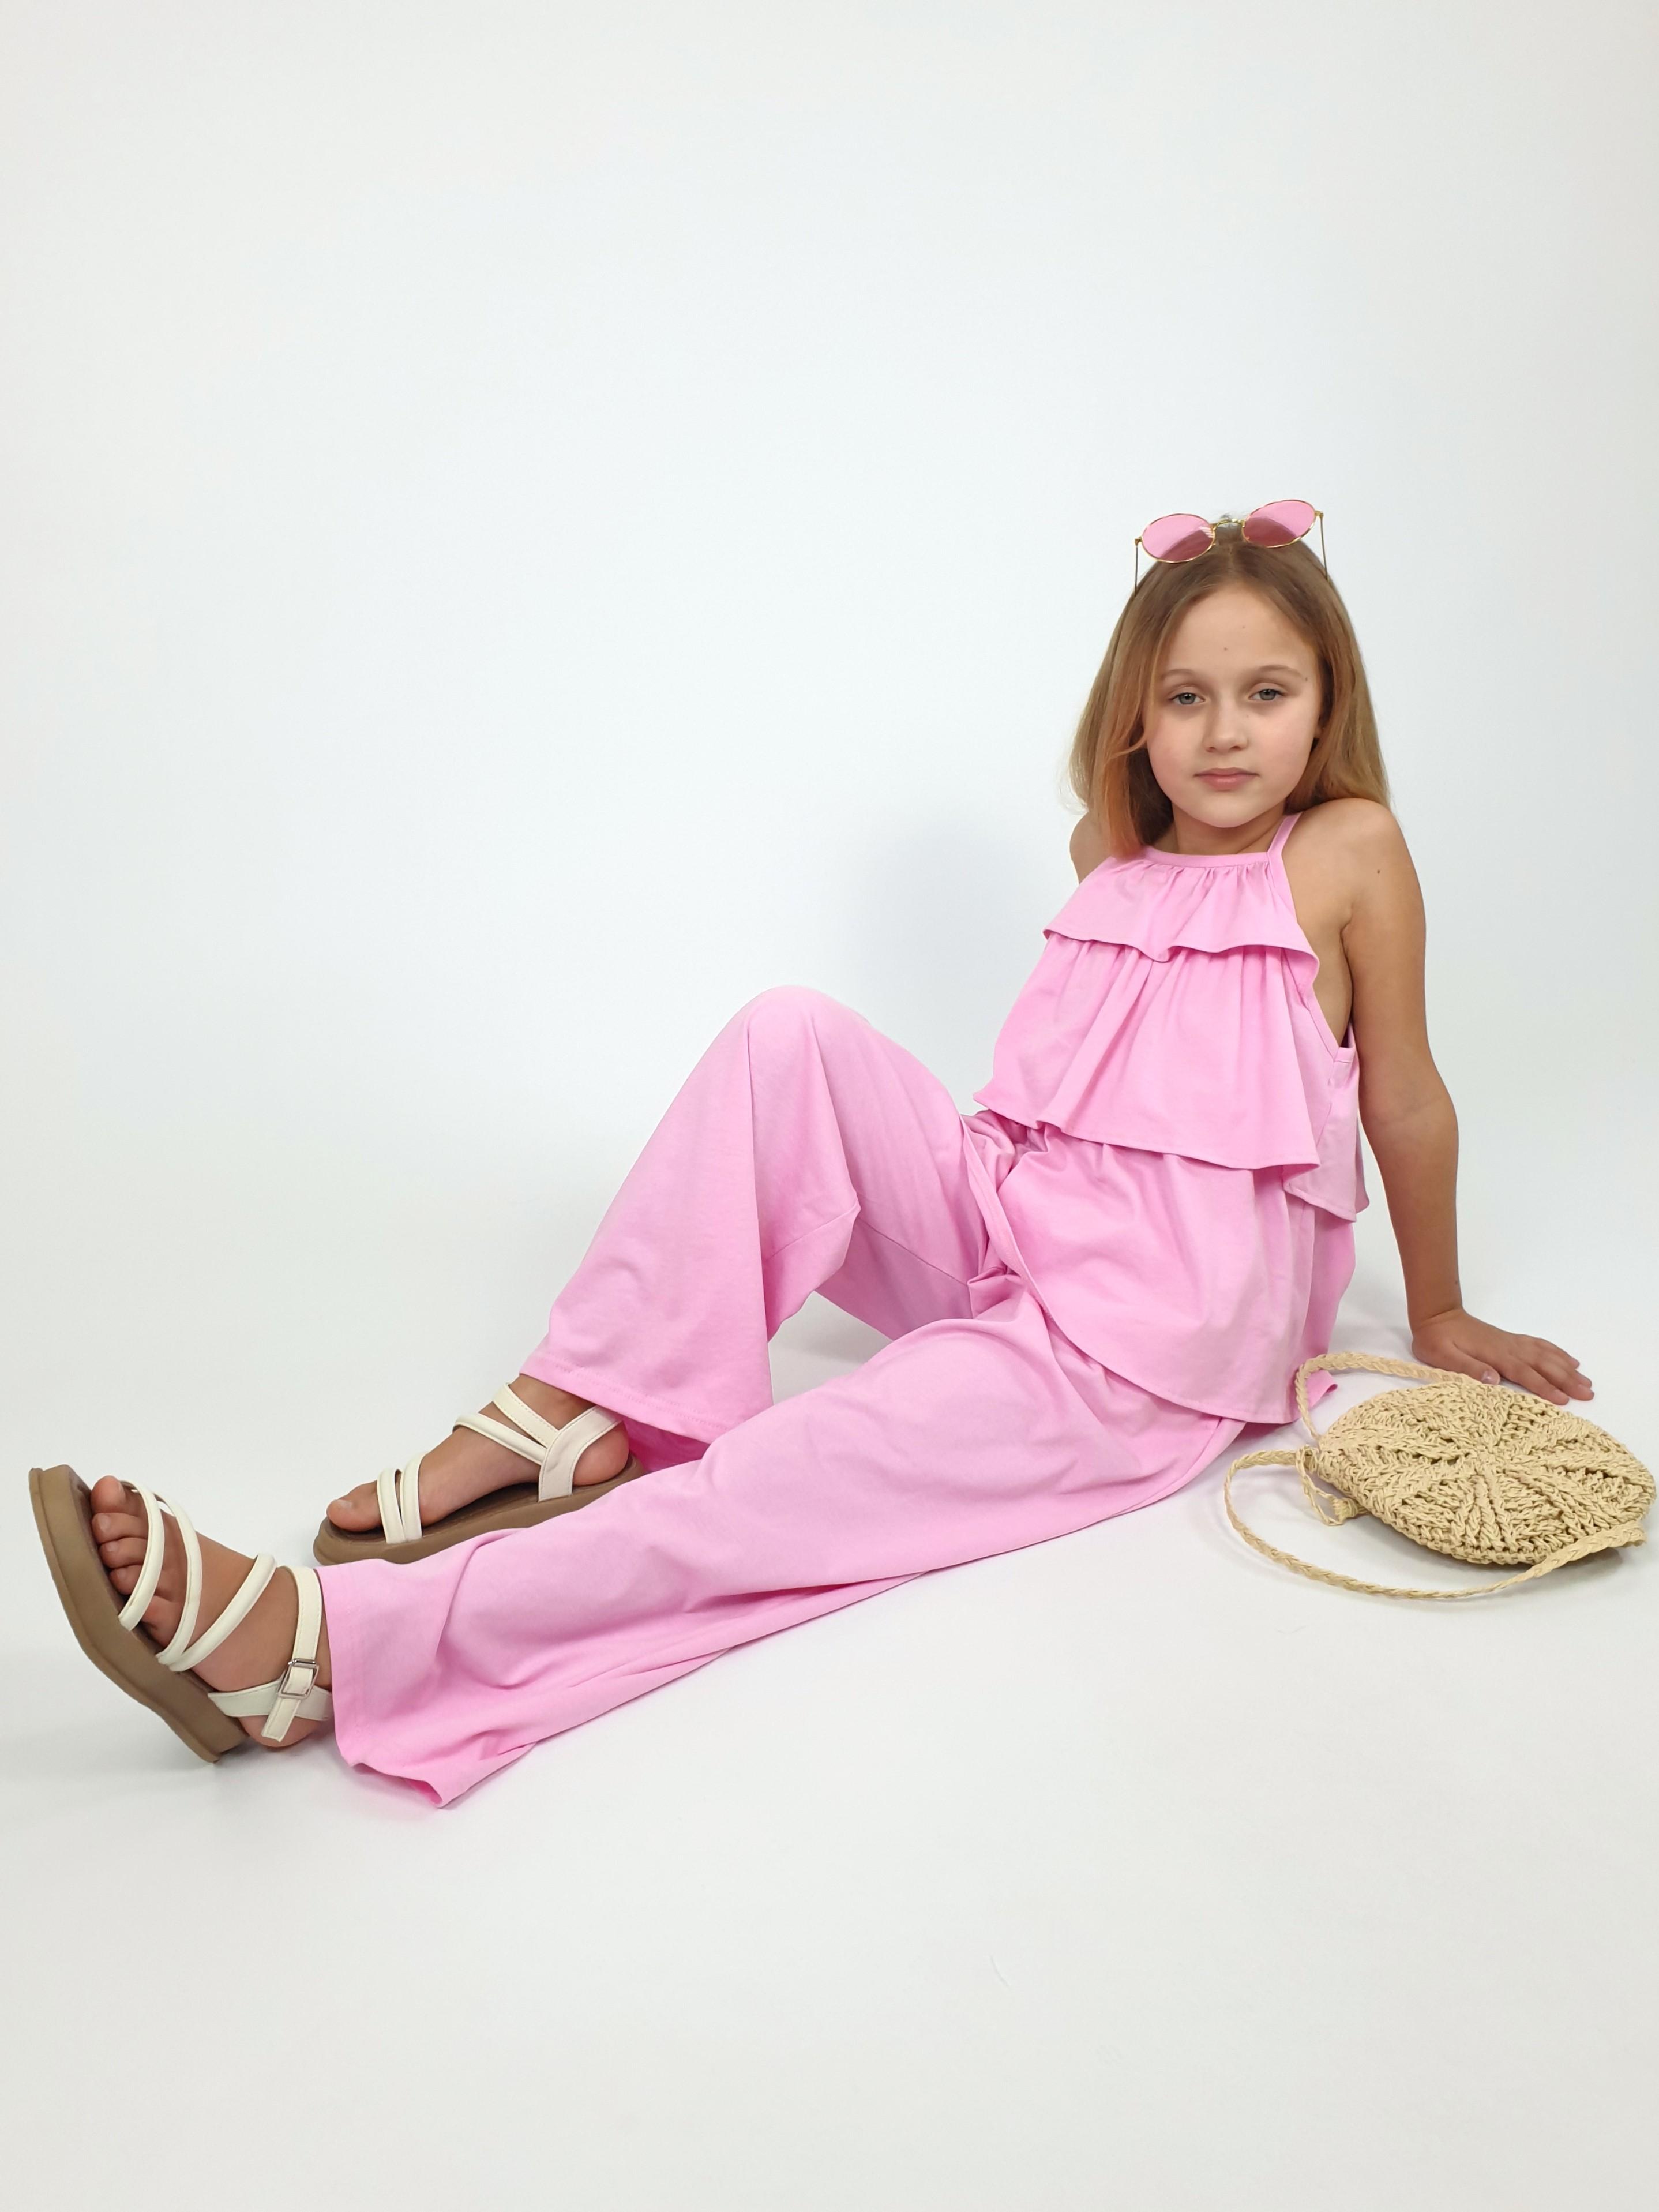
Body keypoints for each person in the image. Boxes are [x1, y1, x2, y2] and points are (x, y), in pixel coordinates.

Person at [32, 504, 1594, 1805]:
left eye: (1266, 692)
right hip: (1015, 1218)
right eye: (1185, 696)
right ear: (1135, 711)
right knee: (789, 1032)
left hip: (1136, 1347)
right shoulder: (1105, 853)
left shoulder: (1346, 853)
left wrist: (1437, 1308)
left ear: (1327, 704)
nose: (1225, 730)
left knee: (787, 1471)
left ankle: (323, 1650)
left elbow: (1405, 1096)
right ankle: (579, 1404)